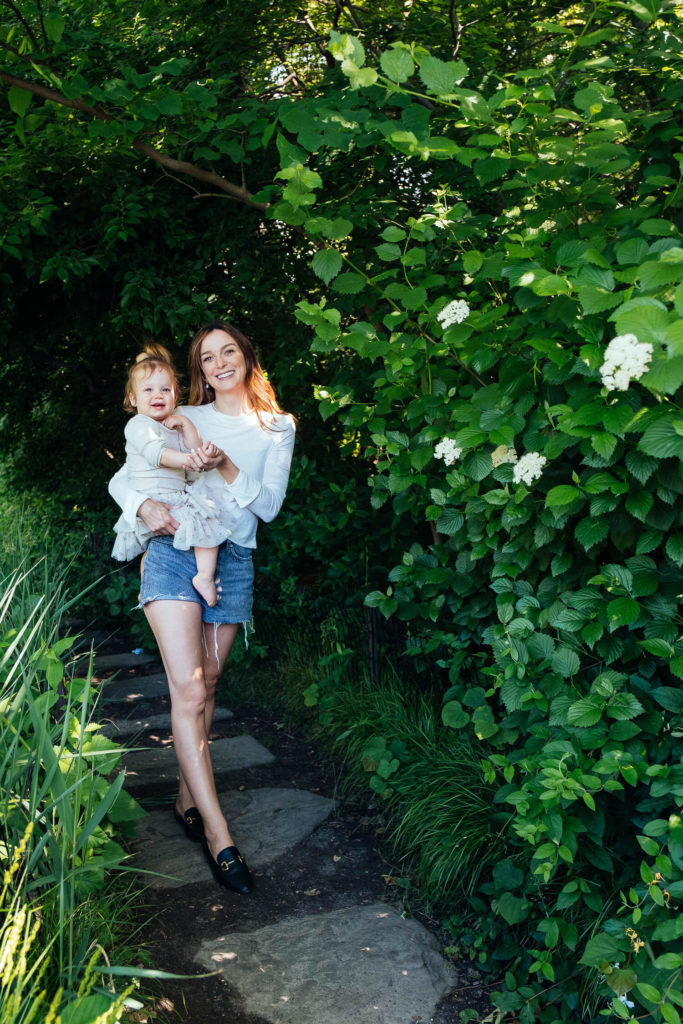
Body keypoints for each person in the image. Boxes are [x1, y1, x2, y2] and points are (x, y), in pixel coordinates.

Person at [109, 321, 295, 894]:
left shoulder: (276, 426)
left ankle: (188, 798)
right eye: (207, 358)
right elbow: (124, 474)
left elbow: (267, 506)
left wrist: (221, 467)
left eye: (228, 352)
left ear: (246, 356)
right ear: (199, 369)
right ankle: (219, 835)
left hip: (232, 558)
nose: (218, 364)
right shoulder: (180, 414)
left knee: (209, 681)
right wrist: (142, 507)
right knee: (189, 689)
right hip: (169, 551)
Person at [111, 344, 230, 607]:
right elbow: (159, 454)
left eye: (165, 389)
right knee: (207, 522)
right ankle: (205, 576)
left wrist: (186, 427)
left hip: (171, 499)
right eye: (149, 390)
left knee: (153, 550)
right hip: (158, 499)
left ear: (176, 395)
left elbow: (195, 450)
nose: (158, 395)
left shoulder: (173, 424)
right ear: (133, 399)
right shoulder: (139, 425)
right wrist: (189, 460)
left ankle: (147, 587)